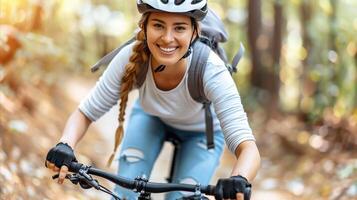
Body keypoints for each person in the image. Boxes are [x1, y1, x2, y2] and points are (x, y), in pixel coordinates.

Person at [45, 0, 261, 199]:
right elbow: (86, 112)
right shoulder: (131, 56)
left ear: (195, 32)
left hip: (202, 133)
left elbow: (248, 147)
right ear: (144, 27)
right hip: (151, 118)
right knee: (125, 193)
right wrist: (65, 145)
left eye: (179, 27)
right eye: (158, 25)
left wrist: (239, 179)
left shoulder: (210, 69)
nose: (167, 38)